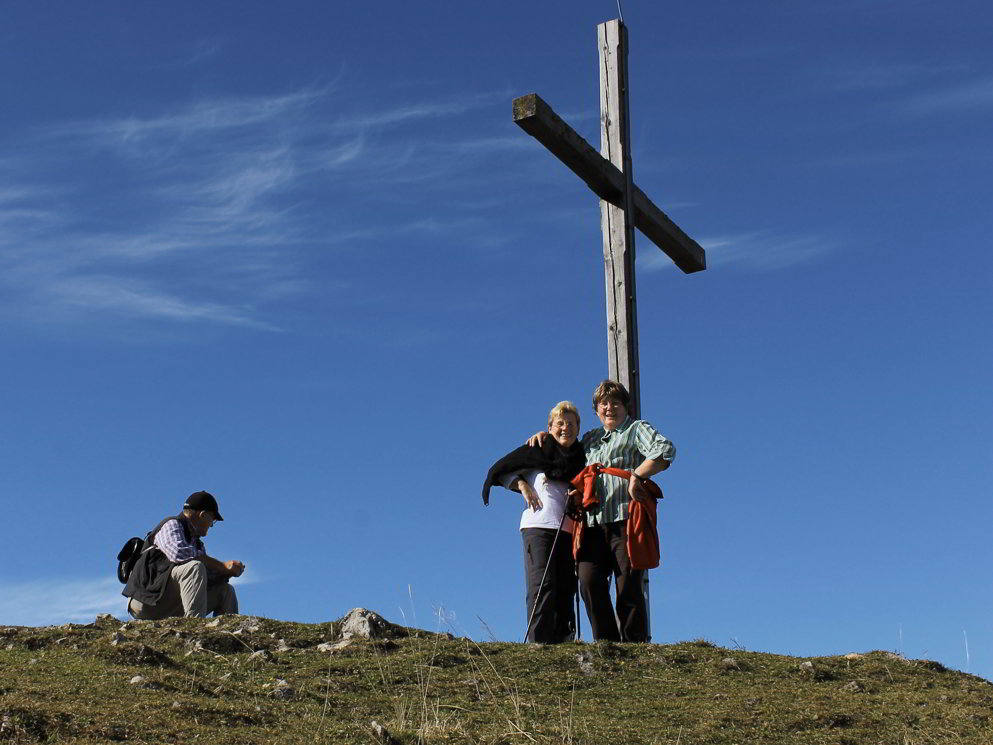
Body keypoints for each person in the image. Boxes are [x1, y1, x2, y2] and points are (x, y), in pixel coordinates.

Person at [528, 381, 675, 642]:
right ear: (596, 410)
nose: (609, 408)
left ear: (625, 407)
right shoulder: (591, 439)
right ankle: (606, 643)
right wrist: (546, 436)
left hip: (626, 518)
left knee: (628, 584)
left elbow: (665, 450)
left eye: (615, 403)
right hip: (592, 522)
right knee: (588, 580)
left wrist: (637, 475)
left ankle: (634, 645)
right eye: (603, 404)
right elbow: (564, 454)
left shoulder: (635, 429)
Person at [482, 402, 587, 644]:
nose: (565, 428)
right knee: (542, 584)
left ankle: (563, 640)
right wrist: (522, 484)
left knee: (566, 587)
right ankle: (538, 643)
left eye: (571, 423)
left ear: (578, 428)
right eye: (559, 423)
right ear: (549, 427)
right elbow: (500, 470)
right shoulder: (537, 451)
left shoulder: (582, 457)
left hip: (570, 531)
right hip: (538, 528)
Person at [123, 490, 245, 619]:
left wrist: (226, 572)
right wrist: (222, 566)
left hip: (168, 602)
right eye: (213, 520)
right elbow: (179, 554)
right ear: (203, 515)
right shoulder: (171, 524)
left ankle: (227, 636)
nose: (211, 525)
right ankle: (195, 628)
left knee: (226, 591)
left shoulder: (197, 545)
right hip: (146, 601)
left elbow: (205, 578)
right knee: (194, 567)